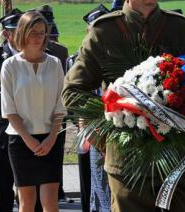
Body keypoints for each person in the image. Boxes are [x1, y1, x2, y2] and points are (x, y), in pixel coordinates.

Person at [62, 0, 185, 211]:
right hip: (127, 162)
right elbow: (73, 90)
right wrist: (103, 129)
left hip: (179, 159)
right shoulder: (105, 31)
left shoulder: (179, 28)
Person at [0, 11, 65, 211]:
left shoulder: (54, 63)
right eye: (33, 32)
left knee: (50, 204)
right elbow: (9, 110)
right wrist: (29, 140)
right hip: (20, 141)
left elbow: (60, 105)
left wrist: (51, 137)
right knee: (26, 203)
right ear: (22, 32)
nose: (39, 37)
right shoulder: (9, 65)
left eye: (42, 32)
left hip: (52, 139)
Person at [66, 4, 112, 212]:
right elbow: (73, 95)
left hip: (118, 127)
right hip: (91, 129)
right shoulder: (78, 59)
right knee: (96, 186)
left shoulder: (118, 57)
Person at [0, 8, 23, 211]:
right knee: (2, 190)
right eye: (15, 31)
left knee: (30, 190)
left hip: (31, 132)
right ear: (6, 34)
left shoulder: (40, 56)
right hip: (2, 135)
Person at [33, 5, 70, 204]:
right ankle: (56, 189)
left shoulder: (59, 53)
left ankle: (58, 188)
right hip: (37, 116)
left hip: (56, 112)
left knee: (56, 152)